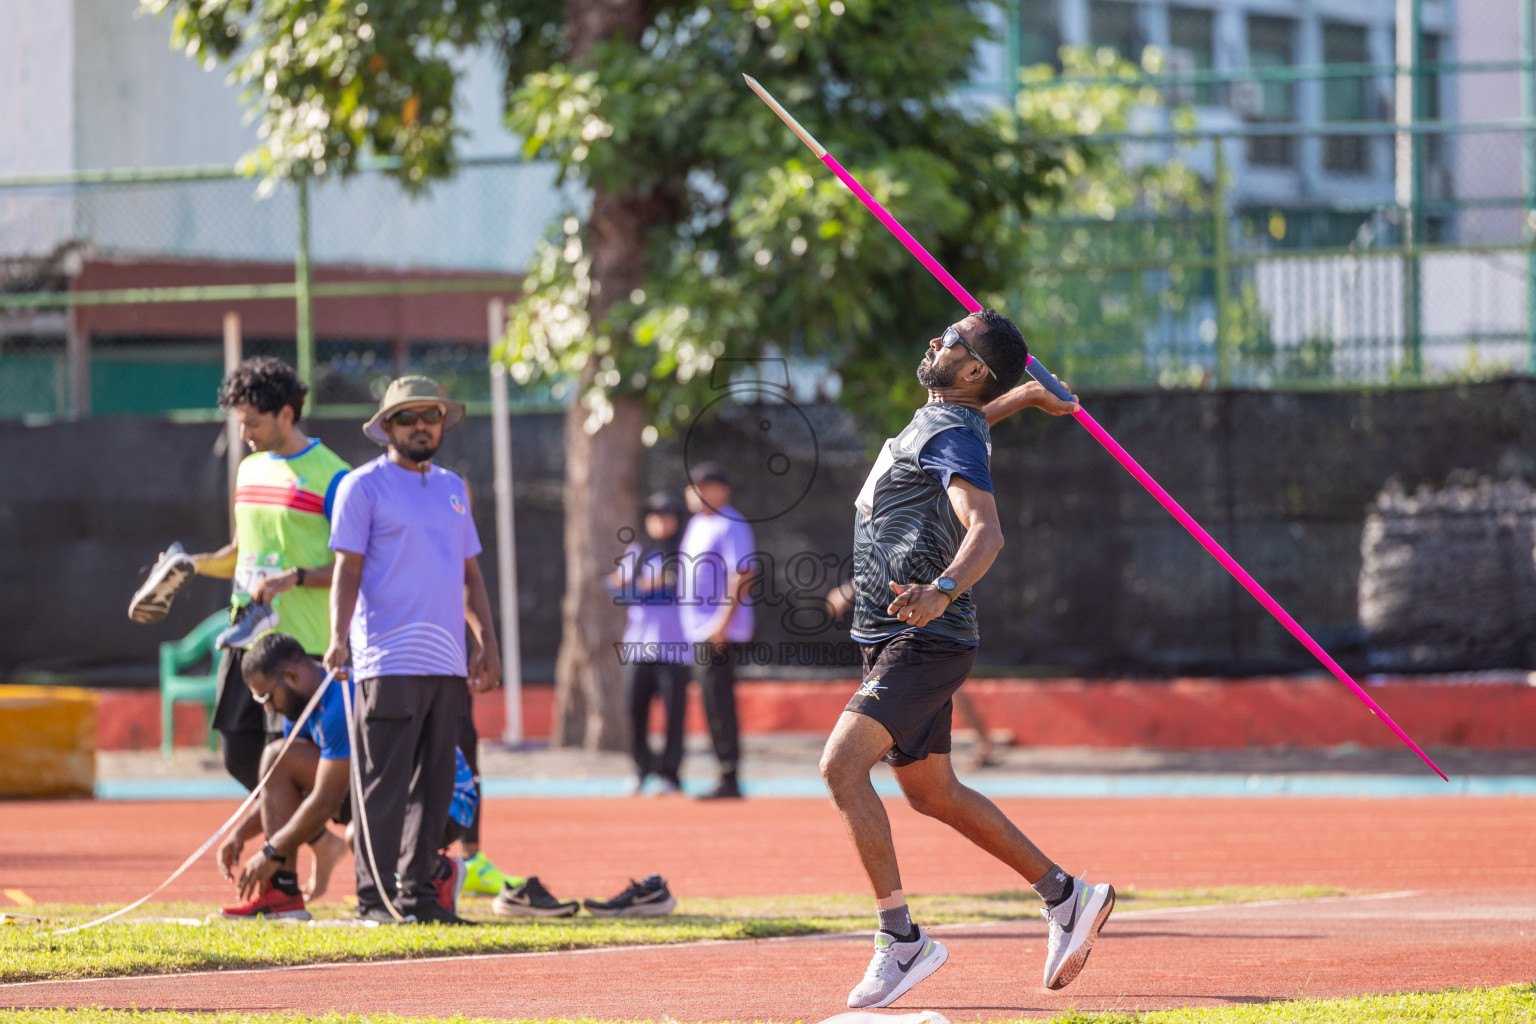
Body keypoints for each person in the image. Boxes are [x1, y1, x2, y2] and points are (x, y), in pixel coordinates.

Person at [821, 309, 1114, 1009]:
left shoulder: (952, 430)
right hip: (896, 640)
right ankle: (1067, 895)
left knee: (839, 766)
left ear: (973, 368)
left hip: (924, 640)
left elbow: (987, 531)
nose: (934, 341)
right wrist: (1029, 397)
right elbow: (970, 428)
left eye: (948, 339)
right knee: (932, 793)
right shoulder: (950, 422)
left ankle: (901, 940)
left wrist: (943, 586)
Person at [134, 357, 351, 900]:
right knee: (237, 752)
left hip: (300, 648)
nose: (244, 433)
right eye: (239, 422)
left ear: (285, 413)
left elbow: (357, 567)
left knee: (285, 755)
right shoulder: (249, 469)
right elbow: (240, 552)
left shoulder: (335, 476)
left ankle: (280, 884)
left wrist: (297, 577)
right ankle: (318, 841)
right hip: (242, 631)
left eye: (253, 421)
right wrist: (191, 566)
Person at [324, 375, 502, 925]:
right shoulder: (363, 486)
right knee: (385, 784)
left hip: (447, 662)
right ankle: (373, 901)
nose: (422, 425)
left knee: (438, 784)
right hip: (386, 661)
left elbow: (469, 573)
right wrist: (338, 639)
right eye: (408, 417)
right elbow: (345, 570)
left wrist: (487, 643)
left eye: (431, 415)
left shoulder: (454, 487)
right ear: (386, 428)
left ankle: (419, 897)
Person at [220, 632, 487, 921]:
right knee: (289, 767)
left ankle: (436, 871)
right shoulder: (301, 709)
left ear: (291, 676)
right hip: (394, 793)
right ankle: (282, 895)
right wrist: (240, 833)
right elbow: (282, 790)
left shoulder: (340, 700)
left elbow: (326, 799)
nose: (268, 708)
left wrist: (270, 852)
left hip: (445, 803)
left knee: (354, 832)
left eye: (266, 696)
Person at [678, 463, 756, 800]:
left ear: (722, 490)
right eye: (692, 485)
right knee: (710, 702)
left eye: (704, 485)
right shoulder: (696, 524)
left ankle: (730, 776)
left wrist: (721, 626)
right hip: (698, 631)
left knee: (720, 702)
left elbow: (742, 574)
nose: (696, 492)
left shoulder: (730, 523)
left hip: (719, 633)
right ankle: (724, 772)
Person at [608, 492, 690, 796]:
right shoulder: (637, 552)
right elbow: (618, 587)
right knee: (634, 710)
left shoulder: (685, 552)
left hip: (676, 648)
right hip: (638, 648)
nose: (660, 522)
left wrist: (655, 585)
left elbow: (692, 588)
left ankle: (670, 774)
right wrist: (643, 585)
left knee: (673, 714)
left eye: (667, 515)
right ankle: (641, 770)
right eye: (654, 516)